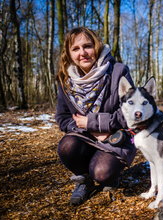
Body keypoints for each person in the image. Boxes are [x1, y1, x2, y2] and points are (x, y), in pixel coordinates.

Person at [55, 27, 136, 206]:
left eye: (87, 46)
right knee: (67, 146)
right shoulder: (64, 79)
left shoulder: (118, 71)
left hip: (115, 137)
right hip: (84, 136)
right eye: (75, 49)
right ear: (68, 54)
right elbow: (62, 117)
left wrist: (95, 122)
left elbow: (130, 112)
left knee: (102, 173)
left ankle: (110, 175)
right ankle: (84, 181)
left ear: (97, 47)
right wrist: (88, 128)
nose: (83, 53)